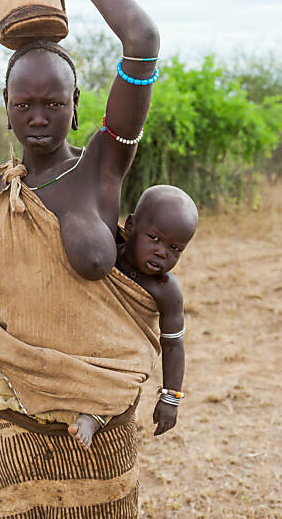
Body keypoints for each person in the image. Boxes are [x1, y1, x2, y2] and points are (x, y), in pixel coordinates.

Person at [0, 0, 161, 519]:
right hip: (18, 438)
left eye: (54, 104)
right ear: (6, 108)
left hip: (102, 436)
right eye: (24, 104)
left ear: (77, 106)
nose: (38, 116)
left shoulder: (101, 171)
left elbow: (142, 40)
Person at [68, 184, 198, 448]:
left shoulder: (167, 290)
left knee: (132, 372)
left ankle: (96, 416)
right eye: (154, 238)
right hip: (82, 340)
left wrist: (170, 398)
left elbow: (173, 344)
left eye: (175, 248)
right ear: (130, 227)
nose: (163, 252)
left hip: (122, 358)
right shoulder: (104, 254)